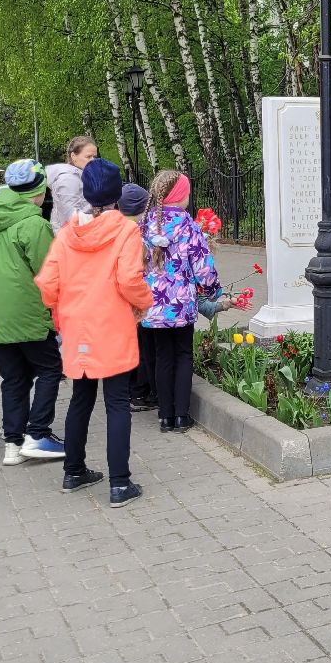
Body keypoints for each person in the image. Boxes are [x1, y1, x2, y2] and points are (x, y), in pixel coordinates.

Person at [36, 159, 152, 506]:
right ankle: (119, 483)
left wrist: (61, 311)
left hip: (77, 326)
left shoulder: (69, 232)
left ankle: (74, 471)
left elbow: (47, 283)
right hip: (111, 325)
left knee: (80, 399)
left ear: (87, 192)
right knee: (116, 402)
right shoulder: (126, 231)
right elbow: (130, 280)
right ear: (117, 193)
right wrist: (143, 304)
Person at [0, 160, 66, 466]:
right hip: (28, 311)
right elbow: (49, 271)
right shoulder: (34, 224)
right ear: (39, 190)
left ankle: (12, 444)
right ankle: (38, 434)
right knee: (51, 369)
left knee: (14, 378)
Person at [139, 171, 221, 432]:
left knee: (162, 357)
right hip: (181, 303)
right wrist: (213, 291)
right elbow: (202, 265)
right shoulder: (188, 225)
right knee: (184, 355)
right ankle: (182, 416)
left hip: (152, 304)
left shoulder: (145, 224)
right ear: (180, 196)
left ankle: (165, 416)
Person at [117, 182, 158, 412]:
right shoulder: (136, 232)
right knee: (141, 349)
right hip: (136, 301)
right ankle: (138, 393)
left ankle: (131, 391)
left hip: (119, 303)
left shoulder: (117, 228)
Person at [45, 135, 98, 233]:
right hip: (71, 238)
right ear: (73, 156)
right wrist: (98, 216)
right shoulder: (68, 179)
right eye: (88, 156)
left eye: (94, 157)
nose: (93, 160)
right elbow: (70, 217)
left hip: (77, 234)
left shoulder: (80, 176)